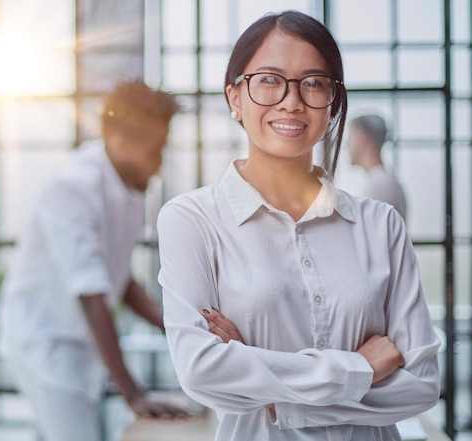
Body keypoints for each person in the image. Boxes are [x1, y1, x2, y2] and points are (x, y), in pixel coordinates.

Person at [156, 10, 440, 441]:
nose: (292, 100)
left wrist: (271, 394)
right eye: (269, 80)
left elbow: (419, 385)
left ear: (333, 103)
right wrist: (361, 368)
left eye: (313, 82)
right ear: (234, 97)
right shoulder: (192, 220)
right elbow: (200, 371)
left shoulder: (380, 224)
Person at [0, 80, 187, 441]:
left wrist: (177, 327)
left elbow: (119, 277)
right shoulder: (73, 189)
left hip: (78, 342)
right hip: (46, 343)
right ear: (121, 142)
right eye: (154, 151)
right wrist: (134, 394)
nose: (159, 164)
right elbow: (92, 294)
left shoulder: (130, 186)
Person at [347, 114, 407, 220]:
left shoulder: (378, 187)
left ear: (359, 140)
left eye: (349, 139)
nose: (346, 146)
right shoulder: (384, 181)